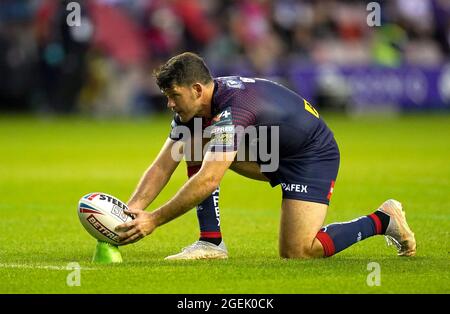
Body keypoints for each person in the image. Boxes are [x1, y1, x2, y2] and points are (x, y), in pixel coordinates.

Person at [115, 52, 416, 260]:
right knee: (192, 141)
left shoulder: (233, 107)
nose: (169, 104)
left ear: (196, 89)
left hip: (311, 155)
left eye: (174, 96)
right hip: (270, 148)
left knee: (299, 252)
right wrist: (127, 215)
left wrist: (153, 220)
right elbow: (162, 166)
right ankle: (211, 243)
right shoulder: (196, 109)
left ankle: (382, 219)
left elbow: (208, 180)